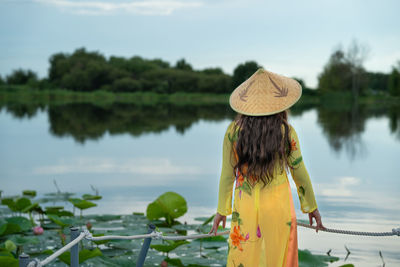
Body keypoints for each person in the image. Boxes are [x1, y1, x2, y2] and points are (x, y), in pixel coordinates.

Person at [209, 68, 325, 267]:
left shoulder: (233, 132)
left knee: (244, 257)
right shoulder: (286, 132)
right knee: (278, 258)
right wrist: (311, 206)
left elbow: (227, 175)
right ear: (280, 104)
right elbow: (299, 171)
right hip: (278, 208)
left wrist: (222, 209)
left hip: (245, 207)